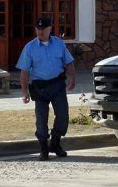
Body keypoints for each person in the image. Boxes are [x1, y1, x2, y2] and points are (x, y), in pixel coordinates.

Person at [17, 17, 76, 161]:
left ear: (50, 29)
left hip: (57, 85)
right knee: (41, 120)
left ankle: (55, 143)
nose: (40, 31)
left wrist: (72, 78)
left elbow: (69, 62)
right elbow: (24, 71)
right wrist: (24, 92)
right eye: (38, 29)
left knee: (63, 115)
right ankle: (44, 148)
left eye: (43, 29)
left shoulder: (59, 44)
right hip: (39, 88)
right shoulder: (30, 47)